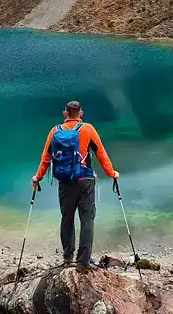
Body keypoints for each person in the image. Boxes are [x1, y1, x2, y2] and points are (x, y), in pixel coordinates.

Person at [31, 101, 119, 272]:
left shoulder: (55, 131)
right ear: (81, 114)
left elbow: (46, 158)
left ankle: (67, 257)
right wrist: (112, 173)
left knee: (67, 218)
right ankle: (82, 263)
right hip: (85, 181)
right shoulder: (88, 129)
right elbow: (101, 153)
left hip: (65, 183)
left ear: (65, 114)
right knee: (87, 220)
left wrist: (38, 177)